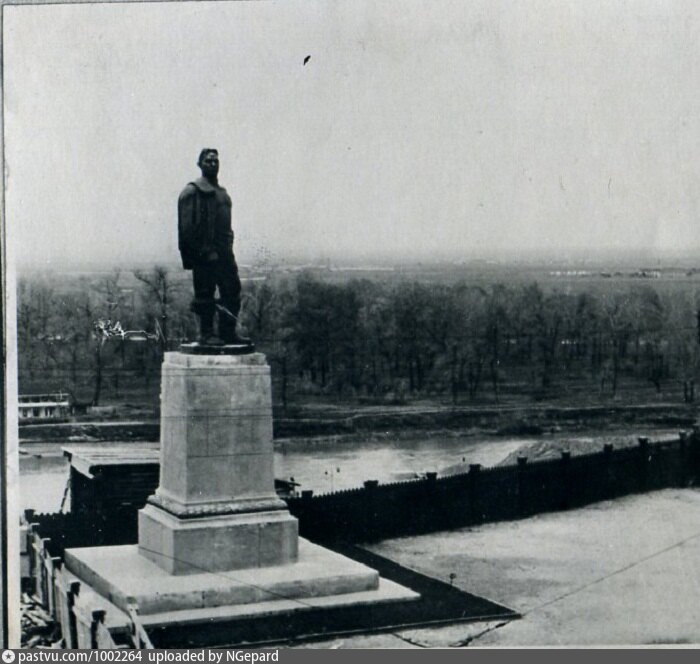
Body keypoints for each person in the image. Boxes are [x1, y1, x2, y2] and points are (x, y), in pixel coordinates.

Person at [178, 148, 249, 345]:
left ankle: (228, 332)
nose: (213, 164)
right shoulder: (193, 191)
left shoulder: (222, 193)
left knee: (232, 290)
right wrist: (201, 252)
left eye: (215, 161)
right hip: (205, 255)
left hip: (225, 253)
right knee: (205, 294)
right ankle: (206, 334)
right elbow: (187, 229)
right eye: (208, 161)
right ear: (200, 164)